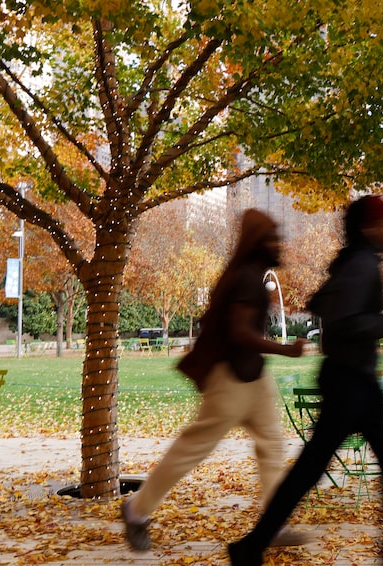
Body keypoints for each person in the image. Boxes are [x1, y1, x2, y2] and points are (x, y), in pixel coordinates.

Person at [229, 195, 383, 566]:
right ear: (367, 228)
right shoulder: (361, 265)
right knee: (323, 467)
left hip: (352, 378)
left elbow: (320, 302)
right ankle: (252, 546)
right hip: (350, 382)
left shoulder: (353, 263)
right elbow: (346, 320)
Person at [121, 209, 308, 552]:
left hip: (254, 377)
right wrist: (286, 350)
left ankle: (272, 526)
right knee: (192, 449)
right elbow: (238, 332)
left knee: (272, 445)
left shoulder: (248, 274)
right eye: (272, 237)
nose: (278, 243)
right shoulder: (248, 278)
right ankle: (135, 510)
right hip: (231, 379)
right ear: (256, 242)